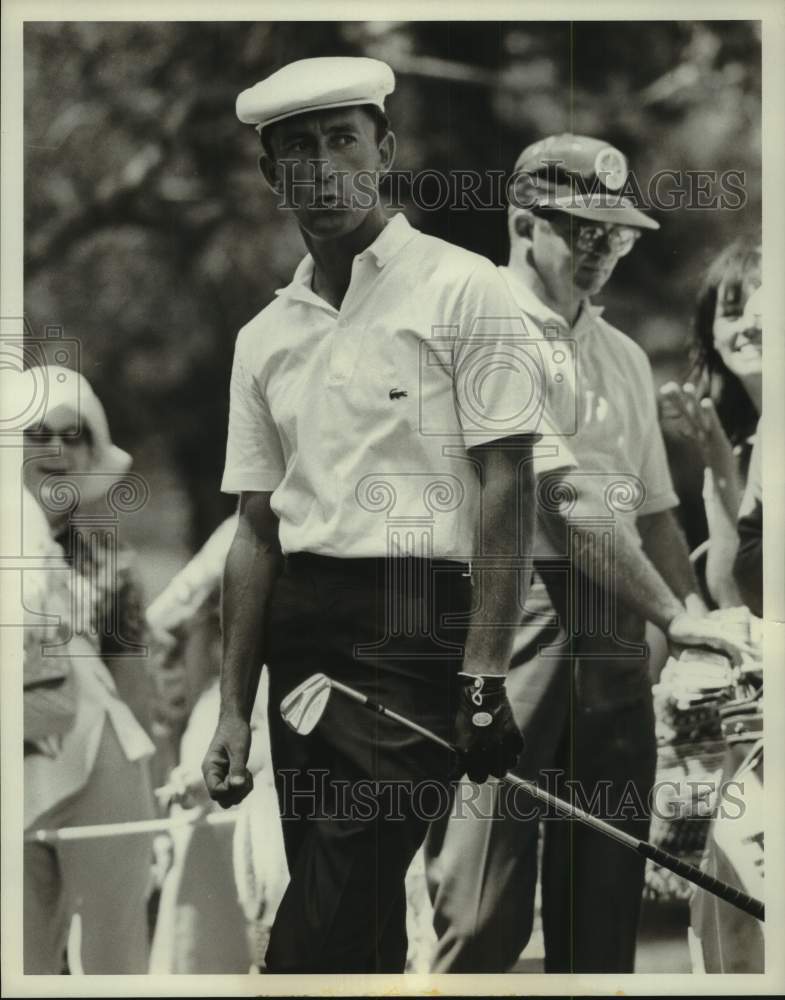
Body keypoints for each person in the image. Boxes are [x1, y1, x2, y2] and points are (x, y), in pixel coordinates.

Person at [201, 56, 551, 974]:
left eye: (341, 141)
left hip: (416, 629)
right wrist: (232, 712)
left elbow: (508, 481)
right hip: (300, 643)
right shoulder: (261, 336)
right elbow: (253, 530)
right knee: (350, 915)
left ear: (383, 149)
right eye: (297, 152)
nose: (321, 169)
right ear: (271, 177)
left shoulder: (464, 285)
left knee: (326, 914)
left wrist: (483, 676)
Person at [424, 134, 753, 973]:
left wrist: (710, 633)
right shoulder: (479, 321)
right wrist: (678, 618)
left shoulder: (623, 356)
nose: (602, 250)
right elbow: (560, 499)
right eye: (582, 231)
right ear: (520, 221)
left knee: (600, 909)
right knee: (480, 909)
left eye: (617, 235)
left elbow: (652, 517)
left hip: (614, 623)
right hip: (504, 617)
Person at [20, 364, 157, 974]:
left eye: (73, 435)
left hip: (102, 777)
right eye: (36, 433)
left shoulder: (114, 565)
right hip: (13, 782)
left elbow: (134, 698)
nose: (55, 449)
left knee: (115, 963)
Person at [659, 239, 762, 608]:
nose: (749, 326)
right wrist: (721, 470)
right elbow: (731, 594)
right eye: (732, 313)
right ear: (712, 336)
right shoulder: (732, 446)